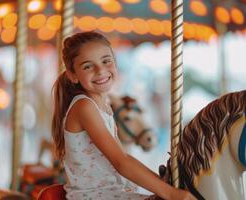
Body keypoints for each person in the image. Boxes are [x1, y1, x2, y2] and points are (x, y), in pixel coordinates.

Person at [51, 31, 196, 200]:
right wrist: (171, 193)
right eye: (88, 66)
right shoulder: (84, 106)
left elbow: (124, 157)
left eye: (106, 61)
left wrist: (161, 182)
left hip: (114, 192)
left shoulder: (103, 106)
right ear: (73, 75)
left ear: (115, 62)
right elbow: (121, 161)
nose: (100, 70)